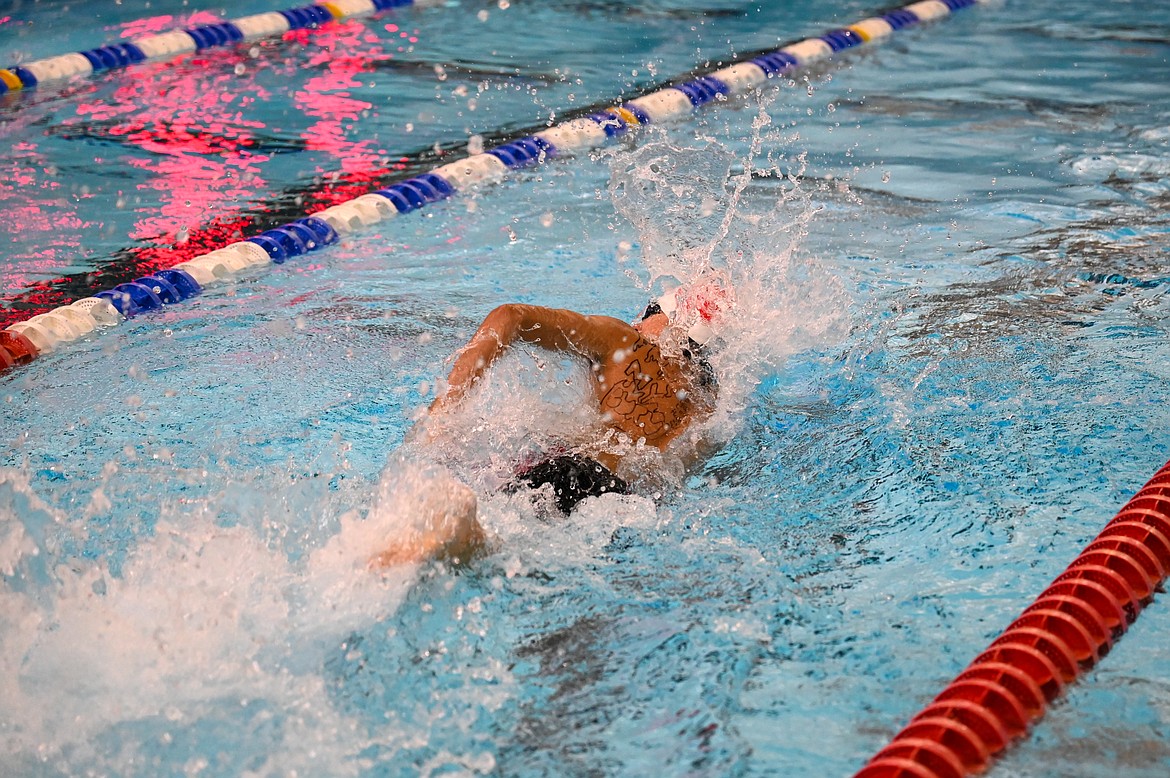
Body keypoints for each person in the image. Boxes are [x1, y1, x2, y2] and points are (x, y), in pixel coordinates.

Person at [370, 278, 732, 568]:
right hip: (621, 504)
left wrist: (442, 414)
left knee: (494, 530)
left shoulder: (624, 340)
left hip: (572, 472)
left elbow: (509, 316)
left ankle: (451, 532)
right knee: (513, 551)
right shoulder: (705, 404)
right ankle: (462, 540)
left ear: (663, 316)